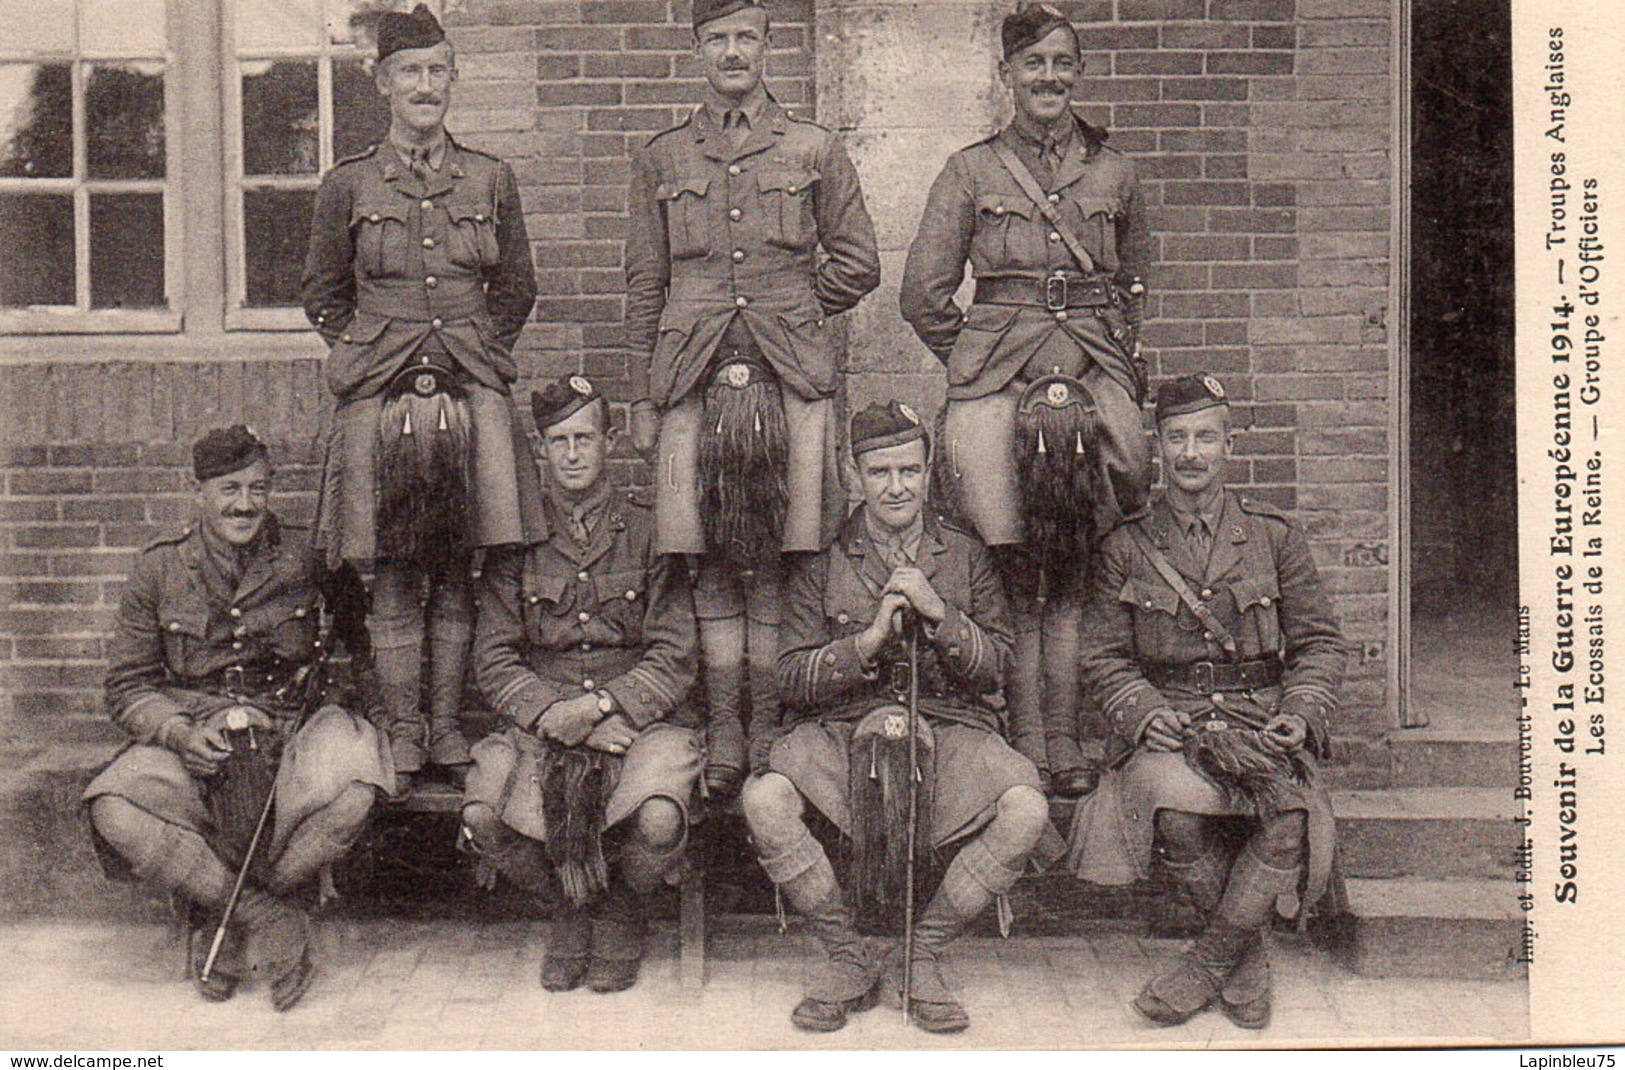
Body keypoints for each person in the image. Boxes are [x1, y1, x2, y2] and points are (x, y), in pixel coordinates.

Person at [624, 0, 881, 799]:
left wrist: (795, 306)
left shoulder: (811, 147)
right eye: (716, 39)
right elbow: (645, 282)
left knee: (776, 558)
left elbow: (859, 261)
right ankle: (725, 730)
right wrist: (642, 395)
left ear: (768, 46)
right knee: (702, 554)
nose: (732, 53)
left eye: (747, 38)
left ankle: (767, 724)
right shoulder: (663, 156)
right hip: (690, 382)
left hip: (789, 377)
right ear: (696, 49)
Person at [899, 2, 1155, 796]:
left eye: (1061, 63)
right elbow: (922, 294)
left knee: (1092, 538)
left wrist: (1108, 356)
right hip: (995, 370)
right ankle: (1024, 735)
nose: (1048, 78)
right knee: (1006, 549)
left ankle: (1068, 737)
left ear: (1077, 72)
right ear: (1006, 75)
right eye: (1032, 64)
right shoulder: (970, 171)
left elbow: (1133, 285)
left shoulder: (1113, 171)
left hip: (1088, 360)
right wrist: (973, 358)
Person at [741, 401, 1054, 1035]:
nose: (895, 487)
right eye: (879, 471)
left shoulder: (964, 557)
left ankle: (923, 954)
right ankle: (847, 956)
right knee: (766, 800)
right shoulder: (823, 558)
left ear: (929, 468)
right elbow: (790, 674)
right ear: (854, 473)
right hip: (840, 726)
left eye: (909, 470)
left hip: (949, 724)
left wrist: (943, 617)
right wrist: (864, 643)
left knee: (1027, 809)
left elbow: (1002, 666)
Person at [302, 3, 542, 795]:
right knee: (398, 575)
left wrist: (481, 349)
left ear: (452, 82)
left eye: (439, 71)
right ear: (381, 83)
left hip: (472, 390)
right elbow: (323, 295)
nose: (426, 86)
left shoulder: (488, 179)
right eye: (411, 72)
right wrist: (369, 351)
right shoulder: (349, 184)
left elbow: (515, 289)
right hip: (380, 392)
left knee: (457, 568)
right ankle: (403, 730)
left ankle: (445, 726)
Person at [1069, 374, 1348, 1029]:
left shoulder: (1273, 536)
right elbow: (1102, 657)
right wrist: (1142, 712)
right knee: (1177, 820)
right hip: (1173, 722)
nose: (1190, 453)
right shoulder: (1126, 545)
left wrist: (1299, 712)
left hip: (1258, 718)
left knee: (1286, 817)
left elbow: (1320, 643)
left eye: (1204, 437)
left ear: (1228, 445)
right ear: (1158, 449)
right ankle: (1243, 962)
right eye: (1175, 439)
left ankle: (1206, 965)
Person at [84, 426, 391, 1011]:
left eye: (257, 488)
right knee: (112, 808)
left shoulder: (310, 557)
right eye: (229, 489)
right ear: (198, 491)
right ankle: (267, 914)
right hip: (195, 734)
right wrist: (178, 732)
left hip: (289, 729)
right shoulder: (159, 569)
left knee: (356, 795)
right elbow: (127, 685)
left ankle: (222, 914)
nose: (245, 504)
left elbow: (362, 645)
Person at [462, 375, 701, 995]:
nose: (571, 453)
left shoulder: (651, 531)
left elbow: (675, 652)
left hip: (634, 722)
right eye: (557, 440)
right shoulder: (517, 542)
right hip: (542, 726)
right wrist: (548, 715)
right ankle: (571, 907)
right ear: (540, 448)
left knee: (656, 819)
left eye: (584, 438)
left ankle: (621, 908)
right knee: (483, 815)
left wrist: (599, 706)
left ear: (610, 442)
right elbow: (493, 657)